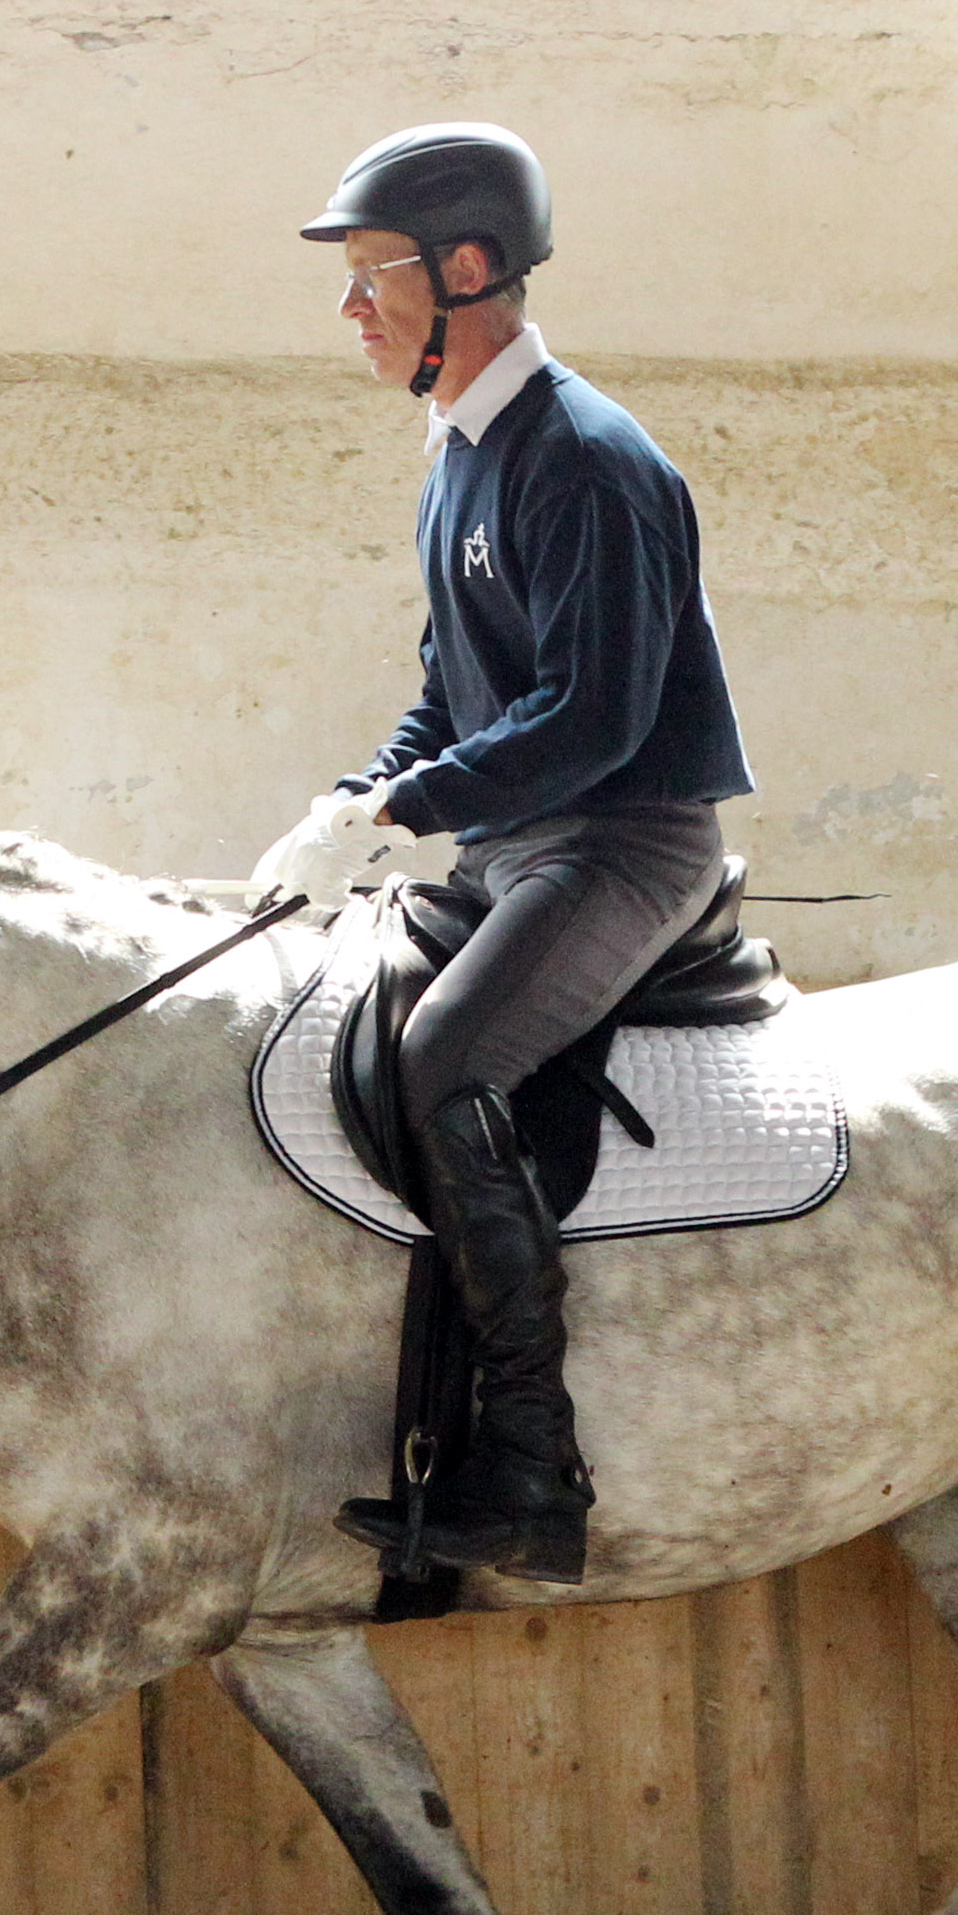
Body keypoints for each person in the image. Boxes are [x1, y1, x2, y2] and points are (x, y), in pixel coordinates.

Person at [287, 121, 753, 1586]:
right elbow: (458, 691)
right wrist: (362, 799)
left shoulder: (588, 463)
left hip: (620, 840)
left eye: (374, 276)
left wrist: (413, 815)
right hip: (515, 840)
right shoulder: (458, 460)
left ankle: (532, 1466)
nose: (349, 309)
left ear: (468, 268)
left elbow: (595, 718)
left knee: (445, 1064)